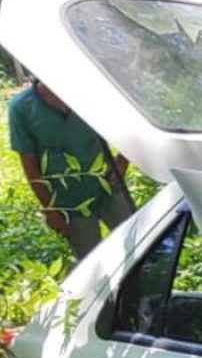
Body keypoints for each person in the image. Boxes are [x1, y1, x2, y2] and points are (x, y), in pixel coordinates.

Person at [7, 76, 135, 259]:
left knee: (138, 245)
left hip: (109, 188)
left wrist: (122, 162)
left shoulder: (89, 91)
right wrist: (50, 210)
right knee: (92, 263)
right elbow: (29, 164)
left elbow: (128, 124)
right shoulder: (21, 107)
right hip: (69, 203)